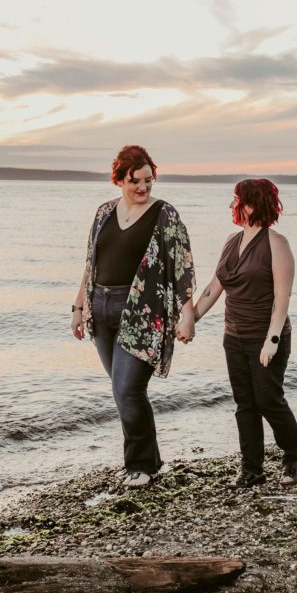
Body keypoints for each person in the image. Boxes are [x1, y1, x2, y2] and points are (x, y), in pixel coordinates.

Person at [70, 145, 196, 488]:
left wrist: (188, 314)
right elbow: (90, 264)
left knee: (128, 389)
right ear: (119, 179)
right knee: (121, 390)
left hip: (141, 312)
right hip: (101, 307)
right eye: (135, 181)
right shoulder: (103, 213)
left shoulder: (164, 214)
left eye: (148, 181)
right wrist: (78, 308)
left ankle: (138, 466)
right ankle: (150, 461)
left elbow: (181, 266)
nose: (143, 188)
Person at [191, 178, 297, 487]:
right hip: (234, 337)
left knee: (269, 400)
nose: (231, 205)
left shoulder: (276, 244)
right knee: (245, 403)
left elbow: (282, 297)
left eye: (236, 200)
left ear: (251, 205)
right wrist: (189, 318)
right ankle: (251, 469)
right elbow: (213, 288)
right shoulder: (231, 241)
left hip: (267, 336)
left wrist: (272, 340)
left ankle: (294, 458)